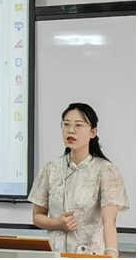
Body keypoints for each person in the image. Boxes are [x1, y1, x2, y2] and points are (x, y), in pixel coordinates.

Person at [29, 103, 129, 257]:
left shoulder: (106, 170)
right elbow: (37, 216)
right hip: (54, 253)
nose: (71, 130)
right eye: (66, 124)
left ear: (93, 132)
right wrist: (58, 223)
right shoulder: (50, 169)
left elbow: (109, 222)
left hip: (90, 254)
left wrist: (111, 255)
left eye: (78, 125)